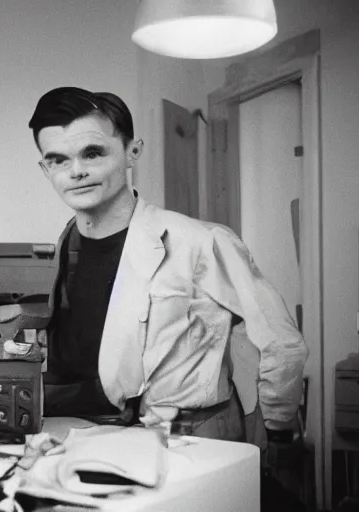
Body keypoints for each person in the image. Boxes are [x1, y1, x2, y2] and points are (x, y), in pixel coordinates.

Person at [27, 86, 307, 443]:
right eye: (58, 160)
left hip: (187, 438)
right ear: (44, 168)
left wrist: (277, 430)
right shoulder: (67, 242)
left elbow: (282, 343)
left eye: (93, 153)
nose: (76, 172)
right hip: (93, 436)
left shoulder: (201, 242)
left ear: (132, 152)